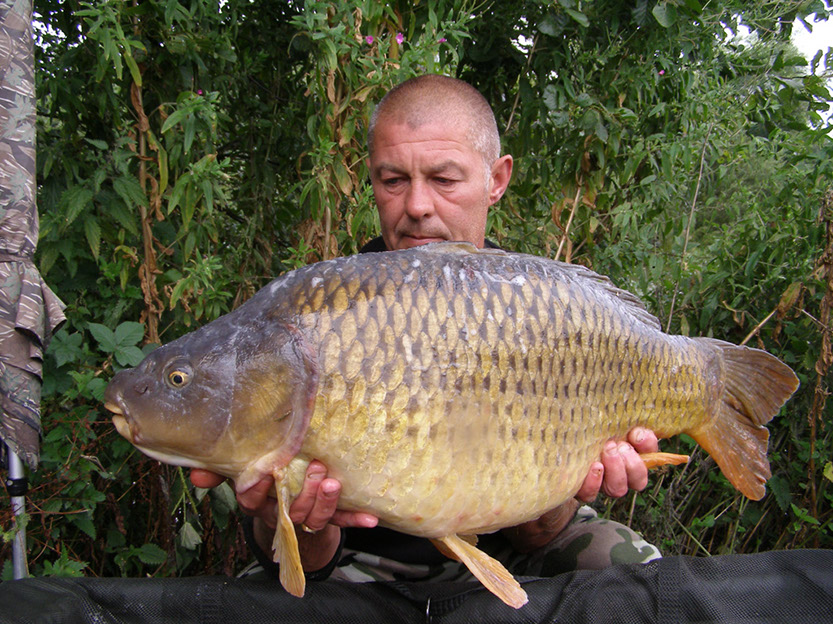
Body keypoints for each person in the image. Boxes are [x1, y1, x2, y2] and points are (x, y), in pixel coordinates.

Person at [191, 74, 661, 584]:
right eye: (393, 181)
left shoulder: (546, 308)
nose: (416, 205)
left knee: (640, 575)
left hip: (516, 546)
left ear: (496, 180)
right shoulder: (321, 310)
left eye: (444, 179)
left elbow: (540, 536)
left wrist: (573, 481)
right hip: (362, 561)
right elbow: (310, 563)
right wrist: (296, 518)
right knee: (262, 599)